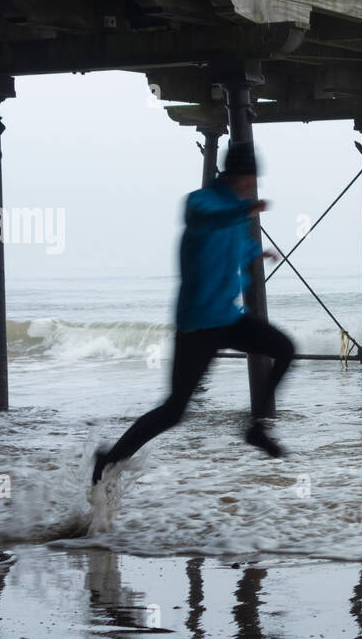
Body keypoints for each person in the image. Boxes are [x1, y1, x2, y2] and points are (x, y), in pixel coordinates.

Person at [91, 141, 294, 486]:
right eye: (251, 176)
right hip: (198, 326)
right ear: (237, 174)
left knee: (285, 349)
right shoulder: (200, 203)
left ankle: (255, 428)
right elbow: (209, 221)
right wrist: (243, 213)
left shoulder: (236, 211)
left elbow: (237, 245)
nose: (253, 183)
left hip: (228, 319)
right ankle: (108, 460)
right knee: (174, 411)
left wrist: (257, 253)